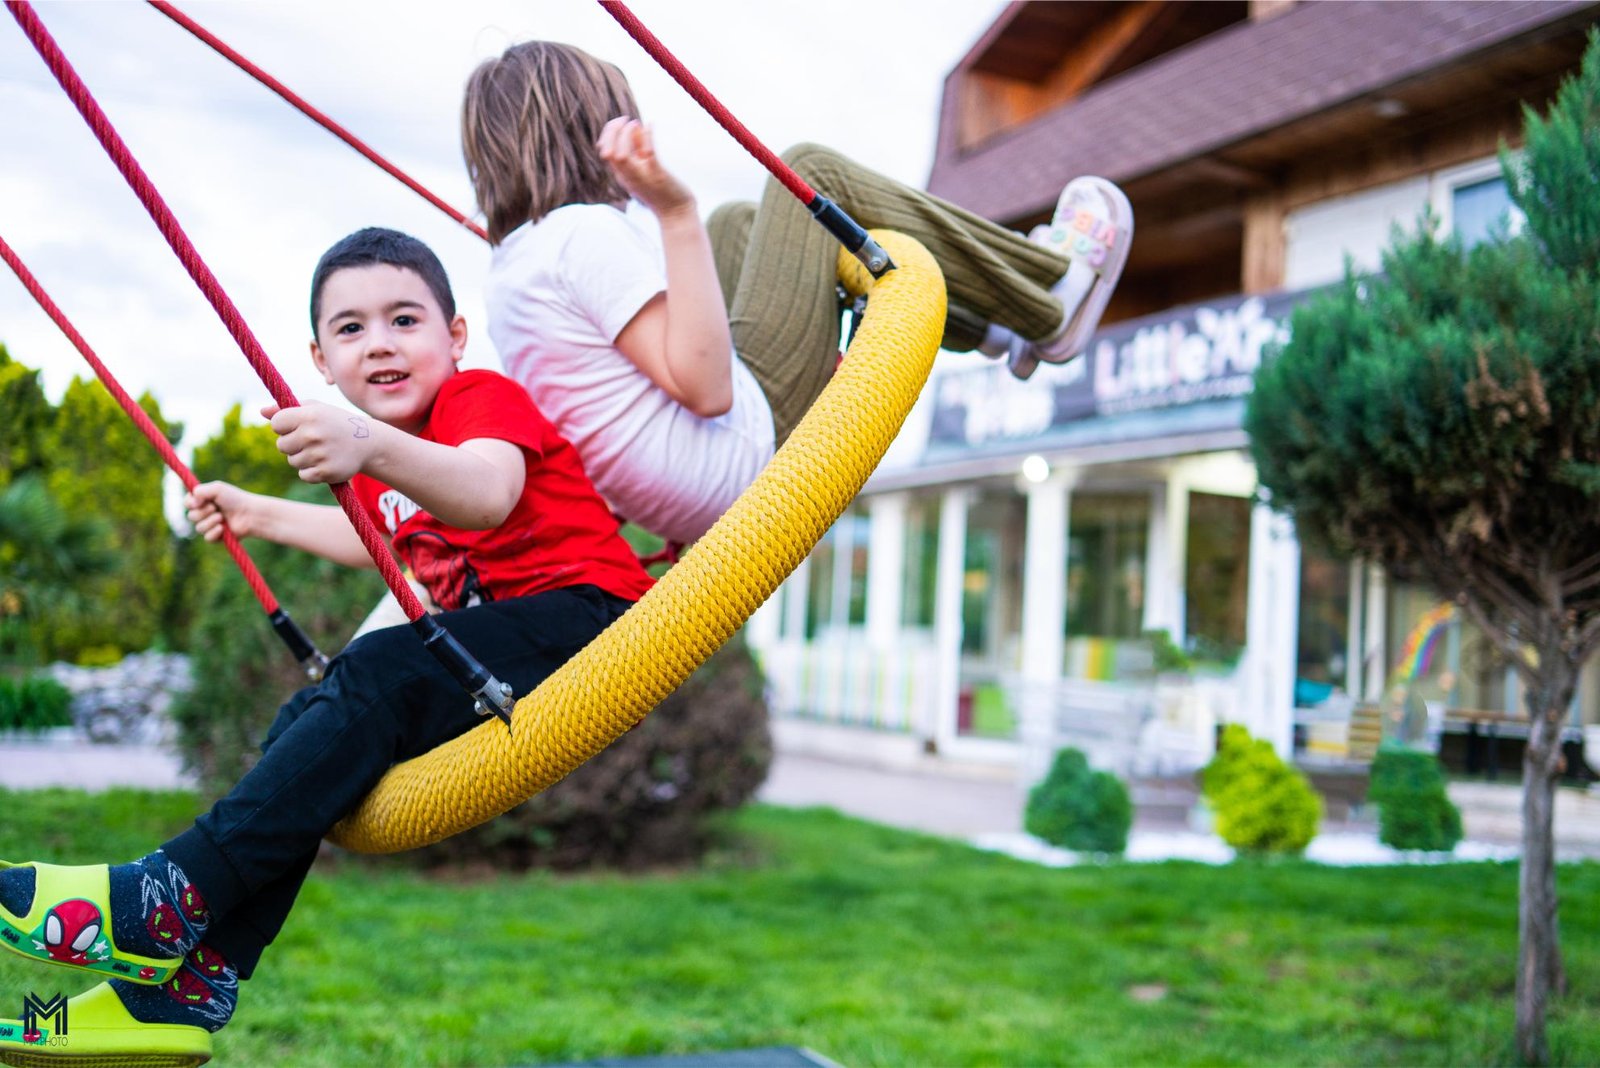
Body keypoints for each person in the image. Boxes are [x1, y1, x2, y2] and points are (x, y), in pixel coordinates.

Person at [0, 228, 655, 1061]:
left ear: (456, 336)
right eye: (351, 328)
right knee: (302, 725)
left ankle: (166, 896)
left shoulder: (476, 400)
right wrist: (255, 512)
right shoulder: (393, 466)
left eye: (404, 320)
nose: (379, 342)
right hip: (511, 648)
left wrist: (365, 443)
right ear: (321, 360)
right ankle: (179, 996)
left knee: (379, 669)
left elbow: (488, 493)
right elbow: (369, 535)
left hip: (593, 618)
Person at [462, 41, 1132, 545]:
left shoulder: (512, 270)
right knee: (809, 173)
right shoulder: (581, 236)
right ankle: (1047, 297)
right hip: (740, 462)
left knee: (736, 225)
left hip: (691, 498)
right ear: (590, 130)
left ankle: (993, 332)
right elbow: (707, 389)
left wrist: (693, 227)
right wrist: (674, 211)